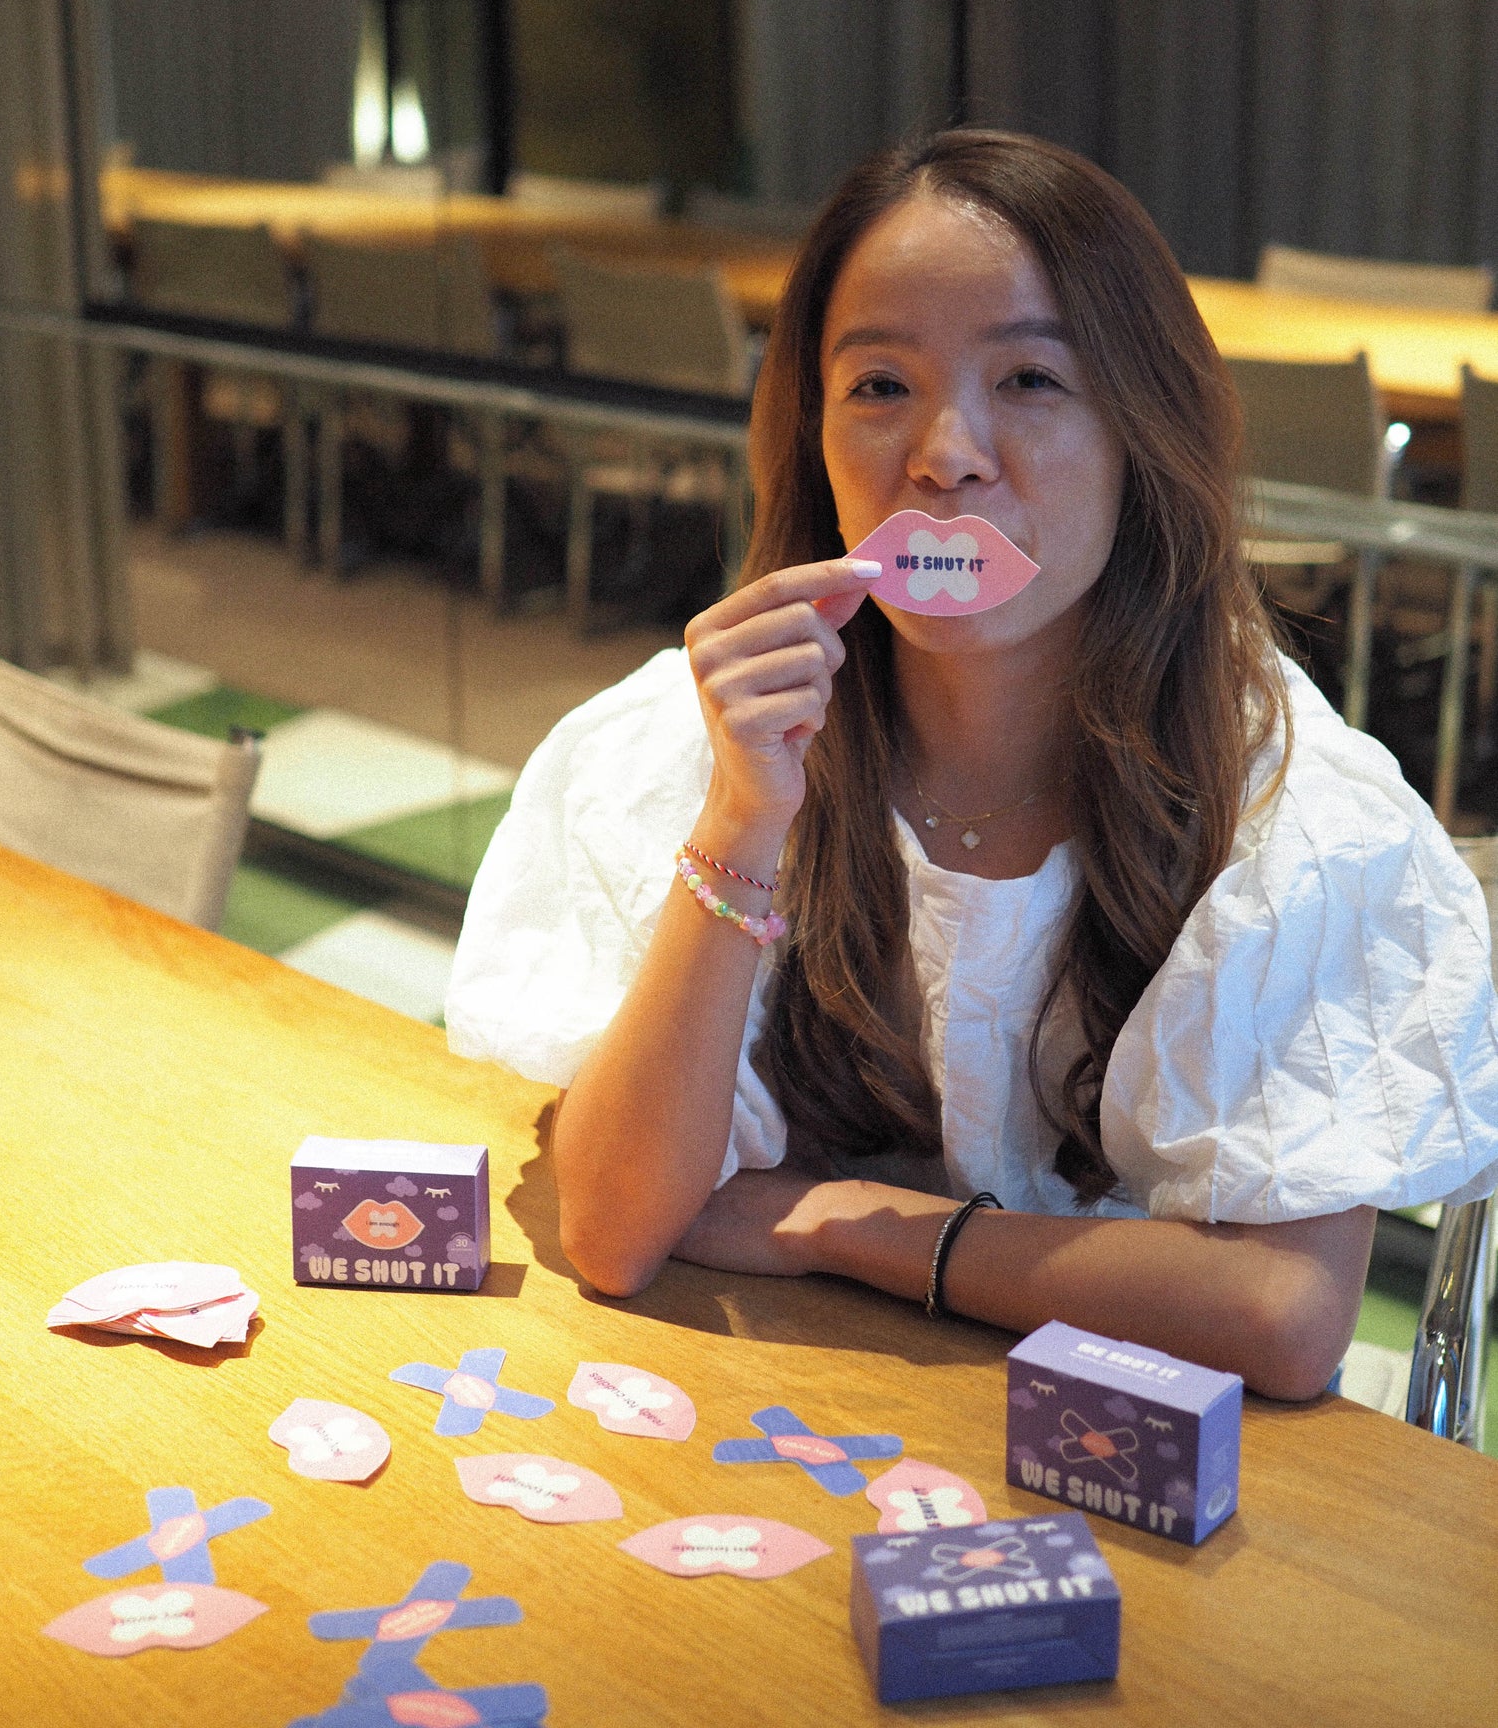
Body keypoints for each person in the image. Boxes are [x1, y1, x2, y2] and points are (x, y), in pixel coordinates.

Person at [447, 130, 1498, 1400]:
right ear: (814, 433)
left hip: (1138, 1446)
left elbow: (1278, 1314)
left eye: (1032, 380)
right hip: (798, 1420)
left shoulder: (1281, 804)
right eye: (880, 384)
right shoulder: (696, 736)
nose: (946, 452)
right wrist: (744, 812)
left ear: (1138, 429)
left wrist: (847, 1224)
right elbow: (613, 1228)